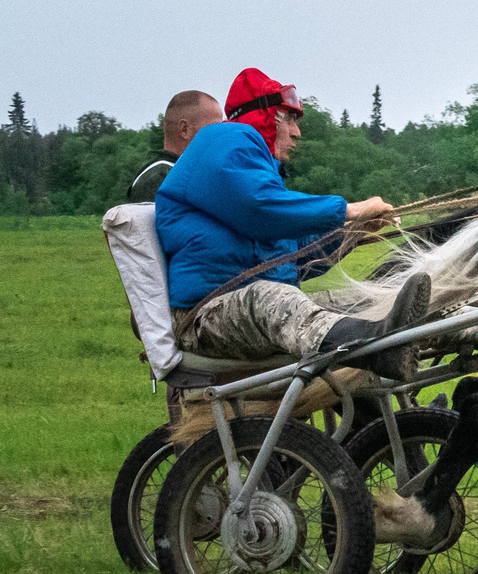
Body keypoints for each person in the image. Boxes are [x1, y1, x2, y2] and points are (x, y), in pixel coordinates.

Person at [156, 68, 429, 366]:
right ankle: (381, 346)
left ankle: (427, 340)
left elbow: (299, 258)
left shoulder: (252, 174)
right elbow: (258, 208)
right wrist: (350, 210)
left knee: (360, 301)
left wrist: (355, 231)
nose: (296, 132)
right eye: (287, 118)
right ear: (263, 118)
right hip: (205, 315)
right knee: (271, 300)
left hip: (243, 308)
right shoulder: (222, 137)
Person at [125, 90, 222, 203]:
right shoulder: (158, 178)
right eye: (213, 128)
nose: (220, 135)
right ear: (184, 129)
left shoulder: (178, 172)